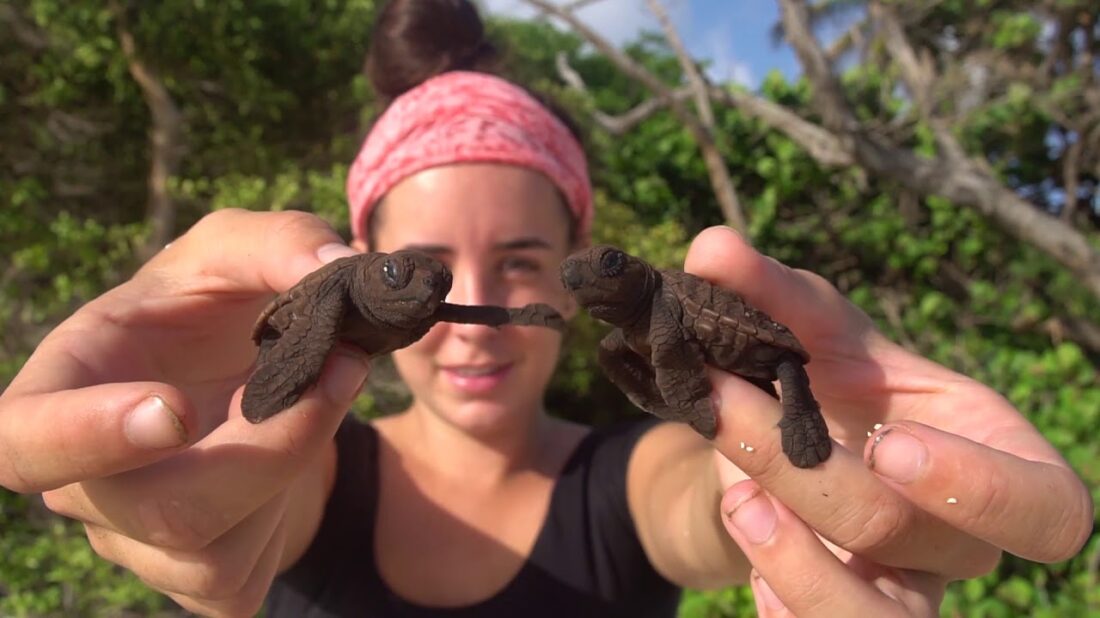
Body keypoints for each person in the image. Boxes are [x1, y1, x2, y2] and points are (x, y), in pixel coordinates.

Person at [0, 0, 1091, 616]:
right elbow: (267, 493)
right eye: (417, 265)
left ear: (577, 260)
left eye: (524, 260)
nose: (466, 298)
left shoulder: (623, 478)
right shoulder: (316, 467)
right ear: (351, 253)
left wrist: (817, 472)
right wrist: (202, 440)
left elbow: (693, 491)